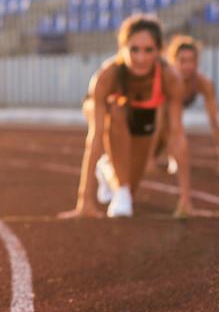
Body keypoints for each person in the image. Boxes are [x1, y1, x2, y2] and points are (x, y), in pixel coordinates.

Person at [57, 13, 193, 219]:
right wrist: (84, 200)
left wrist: (185, 199)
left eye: (149, 50)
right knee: (117, 110)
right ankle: (119, 189)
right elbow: (95, 138)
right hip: (106, 112)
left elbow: (177, 135)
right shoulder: (107, 75)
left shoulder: (170, 77)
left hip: (141, 114)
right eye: (134, 49)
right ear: (122, 48)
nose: (141, 58)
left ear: (160, 50)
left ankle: (109, 172)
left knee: (130, 184)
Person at [151, 35, 219, 176]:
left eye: (192, 61)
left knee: (171, 125)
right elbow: (161, 122)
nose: (188, 66)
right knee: (163, 127)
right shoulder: (167, 81)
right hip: (152, 110)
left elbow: (214, 122)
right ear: (173, 61)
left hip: (171, 112)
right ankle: (156, 156)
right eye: (182, 61)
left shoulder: (204, 83)